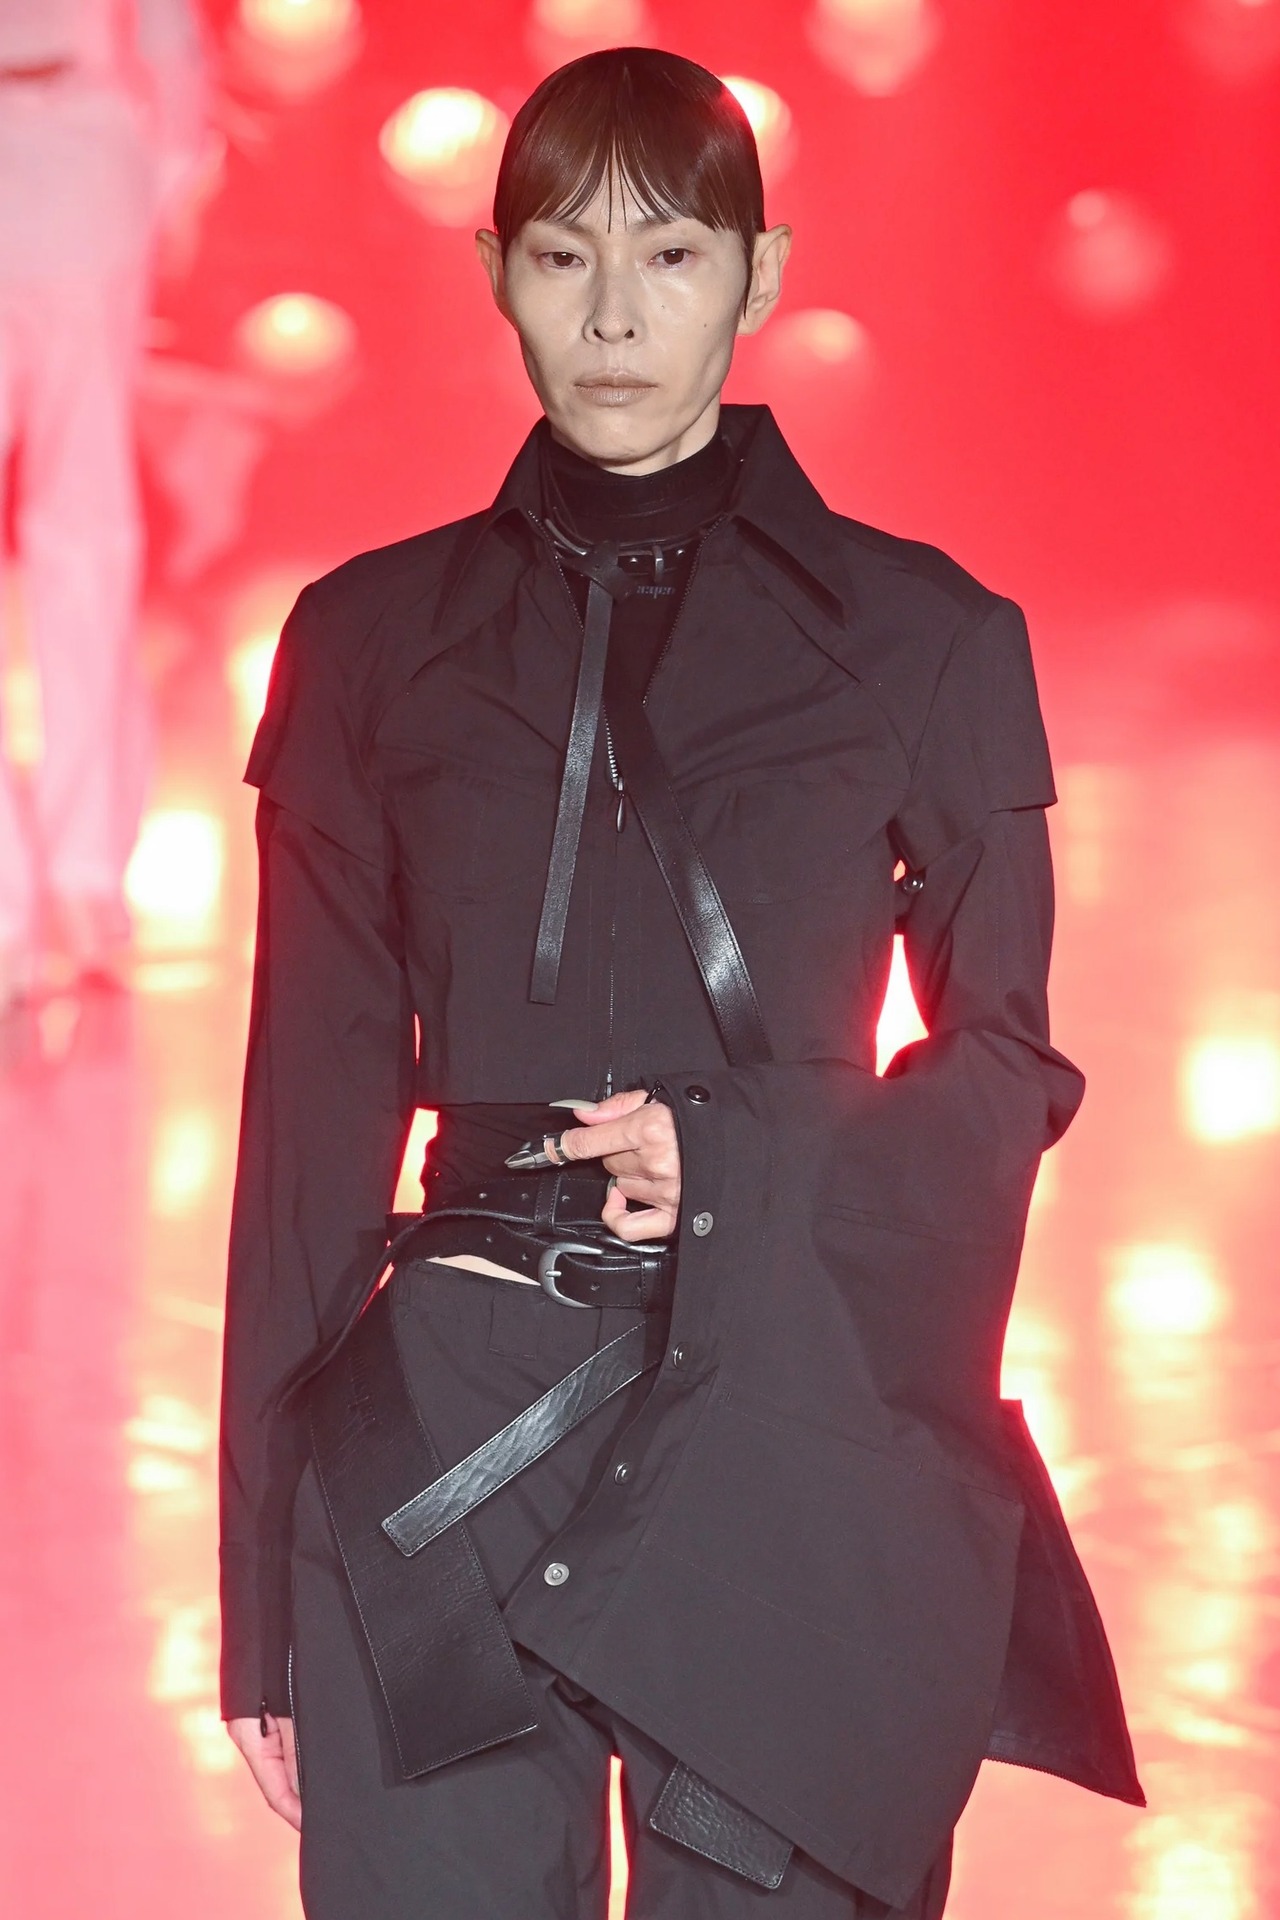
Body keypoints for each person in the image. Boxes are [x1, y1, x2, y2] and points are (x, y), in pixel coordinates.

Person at [220, 47, 1143, 1919]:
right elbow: (305, 1121)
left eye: (672, 255)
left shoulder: (928, 637)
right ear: (496, 275)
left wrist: (740, 1154)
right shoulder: (368, 642)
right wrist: (256, 1598)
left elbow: (1007, 1064)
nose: (617, 317)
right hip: (440, 1446)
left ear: (761, 272)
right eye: (564, 258)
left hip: (793, 1429)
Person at [0, 0, 206, 1005]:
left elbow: (169, 37)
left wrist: (165, 177)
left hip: (83, 168)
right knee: (84, 537)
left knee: (84, 538)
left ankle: (81, 876)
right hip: (85, 164)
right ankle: (32, 888)